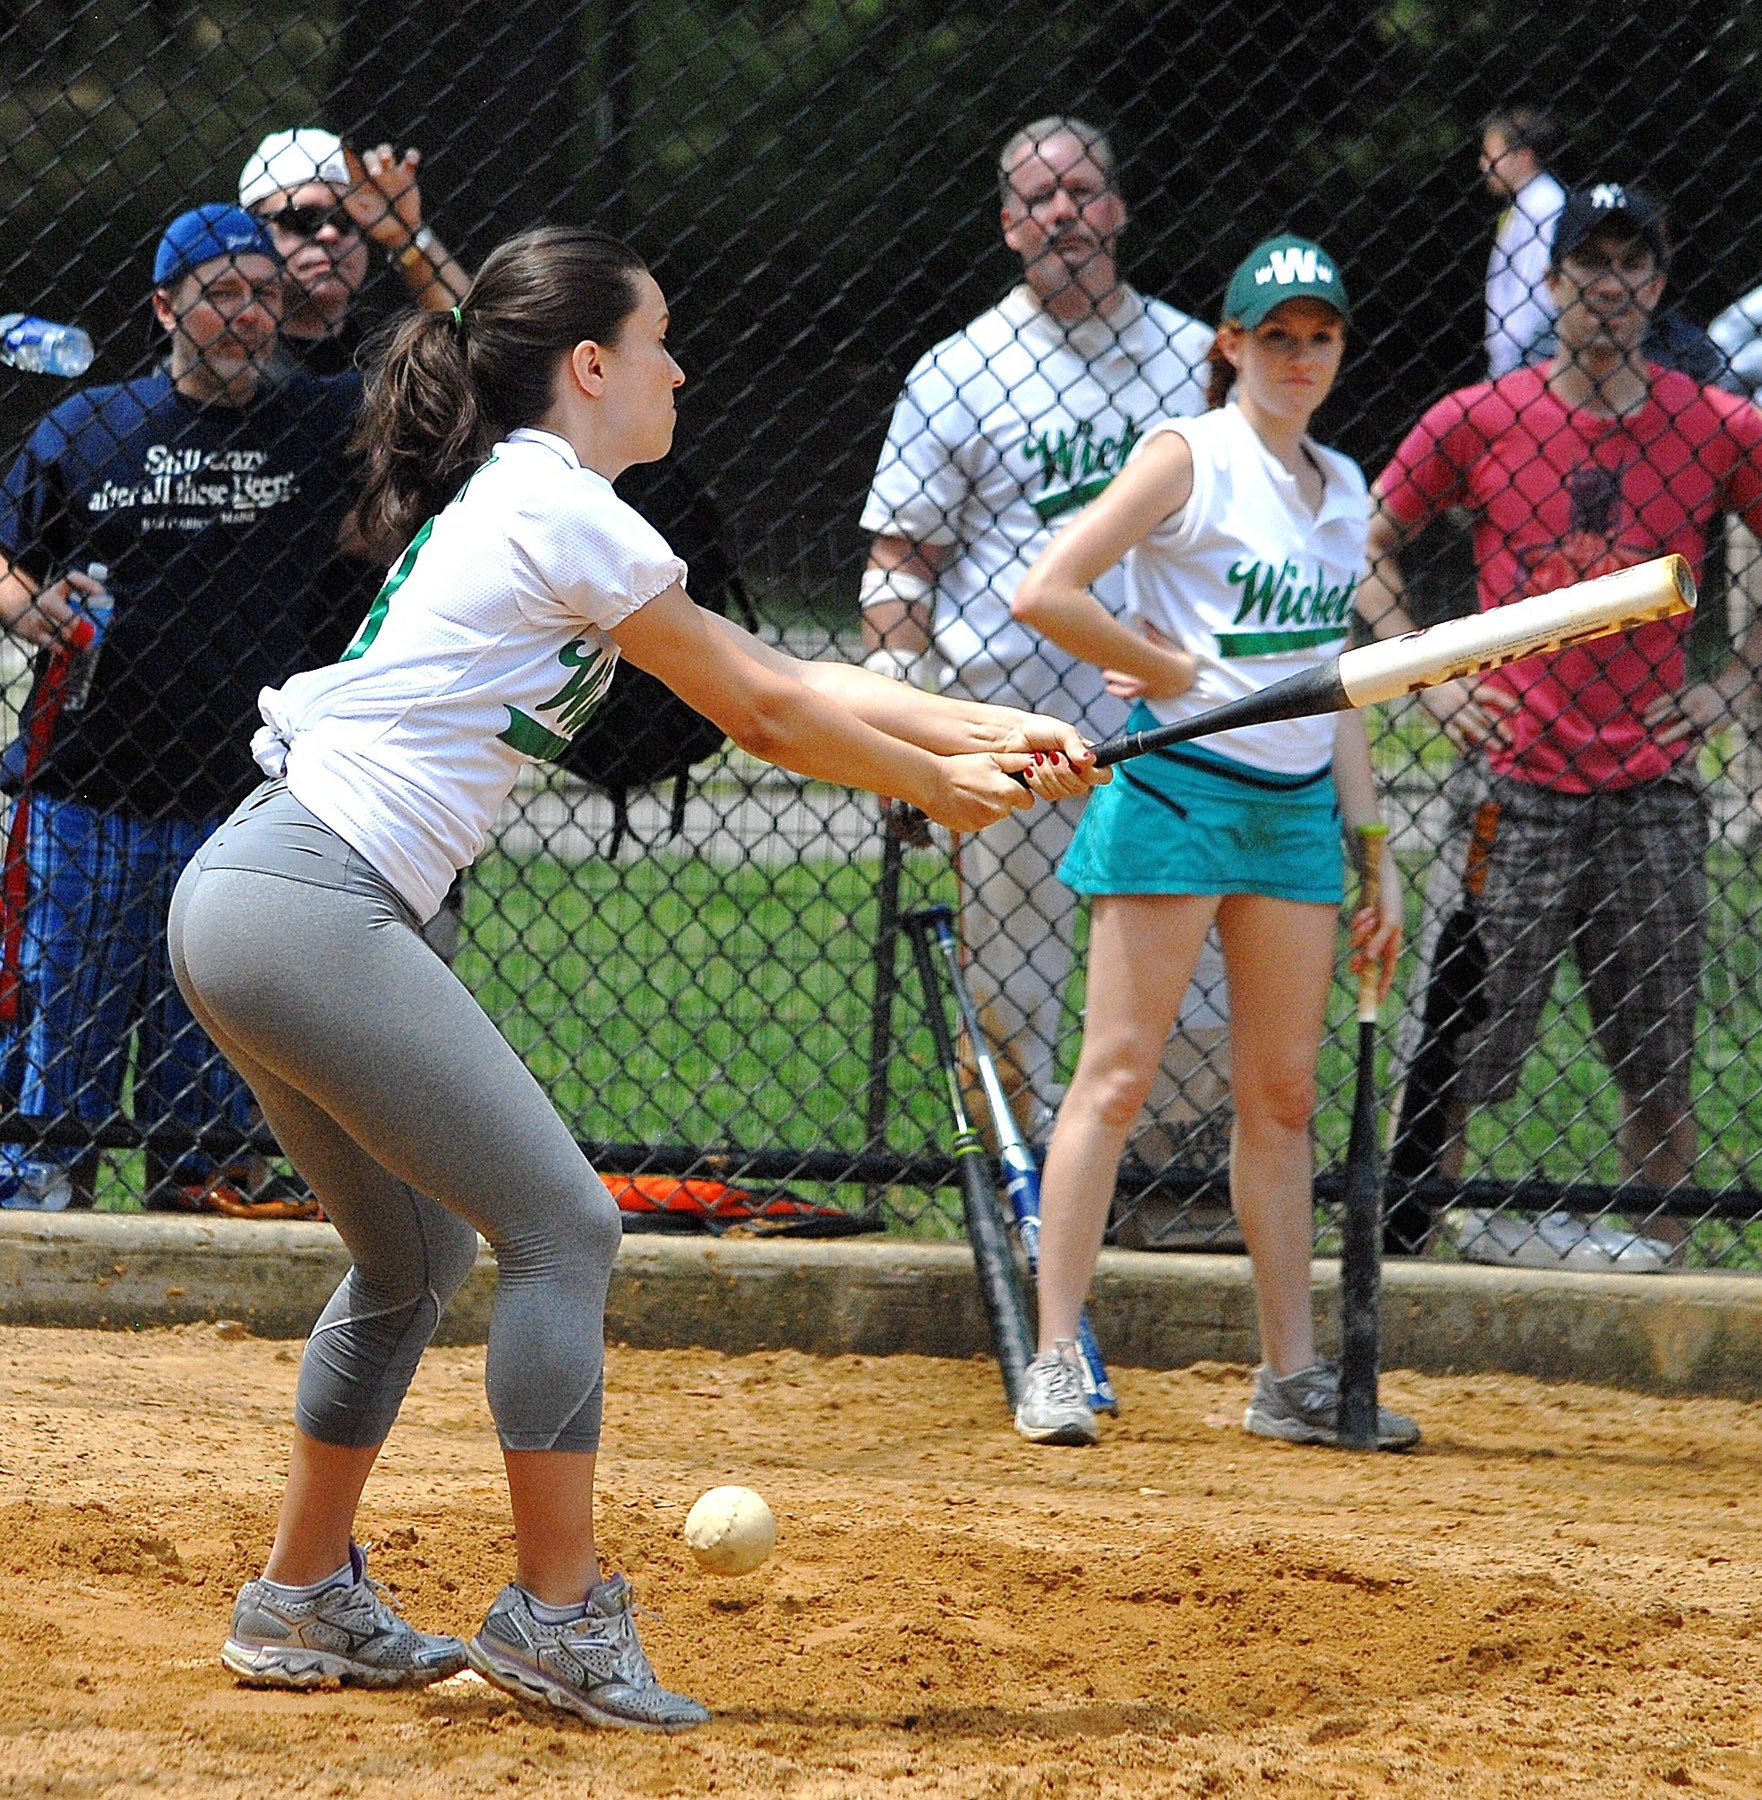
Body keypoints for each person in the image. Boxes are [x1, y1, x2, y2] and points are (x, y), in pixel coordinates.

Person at [167, 225, 1104, 1725]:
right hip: (308, 899)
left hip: (255, 893)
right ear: (587, 365)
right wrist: (939, 790)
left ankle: (299, 1597)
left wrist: (977, 733)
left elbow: (784, 673)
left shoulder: (544, 501)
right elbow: (766, 712)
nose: (679, 365)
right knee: (563, 1231)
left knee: (418, 1262)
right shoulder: (559, 501)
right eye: (657, 339)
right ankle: (556, 1617)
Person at [1009, 234, 1416, 1452]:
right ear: (1227, 345)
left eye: (1320, 336)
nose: (1299, 356)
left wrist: (1371, 845)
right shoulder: (1190, 455)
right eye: (1274, 335)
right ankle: (1054, 1358)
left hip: (1291, 815)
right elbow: (1049, 590)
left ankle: (1289, 1378)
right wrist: (1159, 665)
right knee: (1118, 1074)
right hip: (1178, 791)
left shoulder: (1341, 487)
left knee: (1280, 1097)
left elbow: (1329, 686)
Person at [1364, 183, 1762, 1266]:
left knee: (1658, 1058)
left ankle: (1664, 1269)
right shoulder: (1478, 418)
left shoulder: (1718, 425)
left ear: (1660, 285)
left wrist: (1735, 687)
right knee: (1450, 1048)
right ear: (1551, 282)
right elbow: (1366, 545)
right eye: (1591, 264)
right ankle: (1405, 1259)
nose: (1611, 286)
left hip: (1652, 787)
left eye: (1634, 265)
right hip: (1514, 782)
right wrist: (1434, 679)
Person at [859, 114, 1228, 1151]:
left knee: (1186, 952)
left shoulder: (1196, 358)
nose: (1062, 210)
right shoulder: (961, 367)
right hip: (1006, 715)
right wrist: (907, 727)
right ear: (1008, 226)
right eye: (1036, 196)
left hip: (1166, 709)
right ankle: (1017, 1173)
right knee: (1012, 963)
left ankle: (1174, 1183)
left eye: (1081, 190)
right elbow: (901, 556)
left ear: (1116, 208)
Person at [0, 204, 363, 1211]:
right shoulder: (89, 424)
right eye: (222, 295)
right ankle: (41, 1196)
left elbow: (474, 356)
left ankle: (200, 1199)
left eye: (263, 296)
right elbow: (7, 554)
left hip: (237, 801)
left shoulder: (320, 421)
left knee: (214, 1044)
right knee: (59, 1027)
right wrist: (26, 604)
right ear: (166, 306)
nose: (248, 315)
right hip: (88, 790)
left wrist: (397, 240)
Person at [238, 127, 469, 381]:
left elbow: (475, 335)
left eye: (346, 218)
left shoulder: (389, 356)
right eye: (302, 218)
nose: (328, 234)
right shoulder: (231, 362)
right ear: (255, 231)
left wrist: (405, 236)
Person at [1481, 105, 1567, 379]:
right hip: (1515, 360)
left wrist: (1509, 363)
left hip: (1524, 362)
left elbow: (1536, 294)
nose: (1484, 164)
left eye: (1491, 155)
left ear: (1524, 157)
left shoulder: (1544, 206)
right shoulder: (1528, 204)